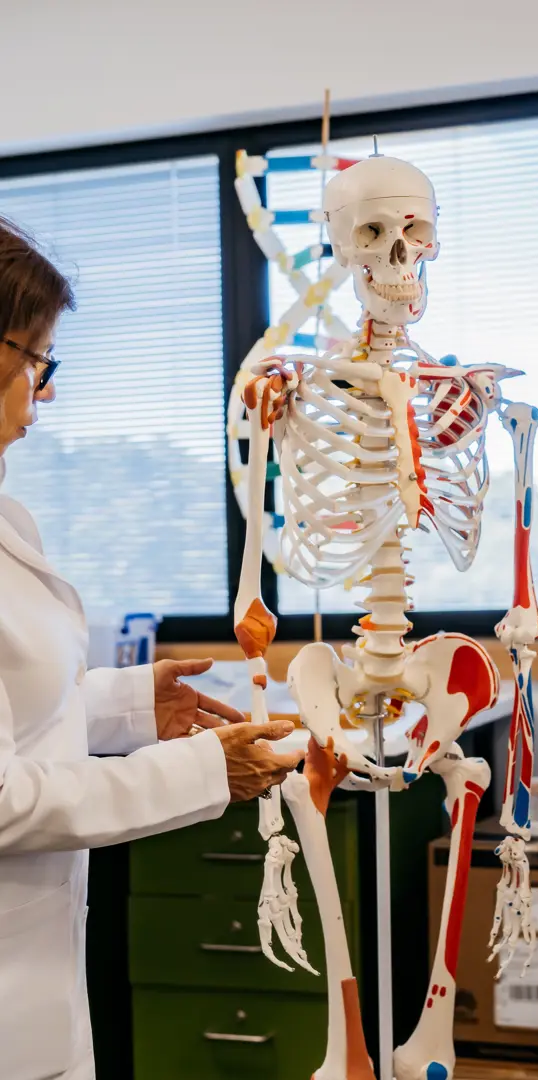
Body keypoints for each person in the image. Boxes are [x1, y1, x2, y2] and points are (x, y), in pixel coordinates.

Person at [0, 215, 305, 1080]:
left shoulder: (8, 515)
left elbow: (14, 693)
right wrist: (204, 772)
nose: (44, 391)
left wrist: (132, 704)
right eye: (35, 359)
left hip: (32, 980)